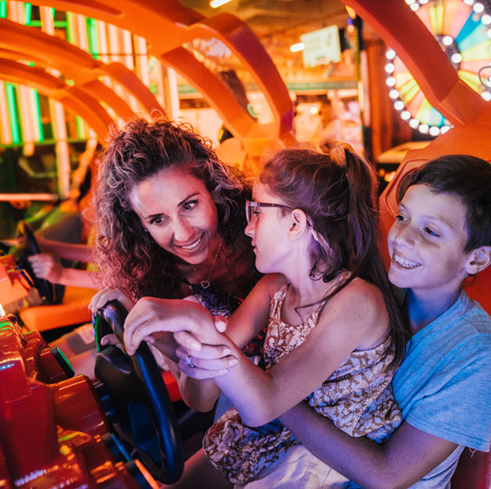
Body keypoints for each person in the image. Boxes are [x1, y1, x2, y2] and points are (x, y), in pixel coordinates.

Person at [121, 141, 410, 487]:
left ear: (295, 224)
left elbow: (264, 403)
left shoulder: (356, 302)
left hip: (316, 460)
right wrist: (171, 334)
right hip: (263, 441)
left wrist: (197, 322)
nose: (247, 227)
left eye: (256, 212)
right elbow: (201, 396)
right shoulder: (275, 288)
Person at [88, 118, 260, 411]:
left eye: (189, 205)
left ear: (213, 187)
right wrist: (154, 334)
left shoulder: (261, 229)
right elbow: (198, 400)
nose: (184, 234)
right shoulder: (156, 282)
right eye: (158, 219)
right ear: (139, 225)